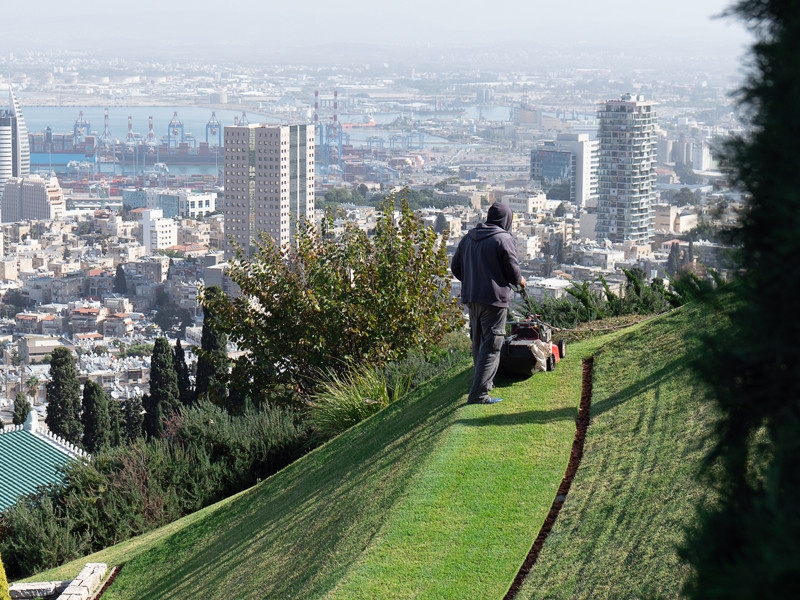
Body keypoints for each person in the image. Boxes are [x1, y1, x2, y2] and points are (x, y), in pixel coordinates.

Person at [451, 202, 526, 404]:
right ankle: (479, 393)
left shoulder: (469, 238)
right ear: (506, 220)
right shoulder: (503, 238)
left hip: (471, 297)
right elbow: (512, 269)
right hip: (493, 299)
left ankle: (483, 382)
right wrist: (520, 280)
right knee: (492, 344)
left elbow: (455, 267)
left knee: (478, 341)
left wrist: (472, 281)